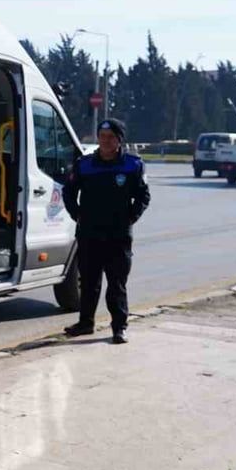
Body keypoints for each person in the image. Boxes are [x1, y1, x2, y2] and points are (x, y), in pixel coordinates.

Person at [63, 118, 151, 344]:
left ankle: (119, 328)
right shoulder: (85, 165)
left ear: (119, 140)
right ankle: (85, 323)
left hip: (118, 236)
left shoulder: (132, 165)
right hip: (89, 233)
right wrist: (77, 214)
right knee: (89, 283)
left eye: (110, 137)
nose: (105, 141)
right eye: (102, 137)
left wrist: (130, 218)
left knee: (116, 285)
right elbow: (68, 192)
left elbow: (143, 196)